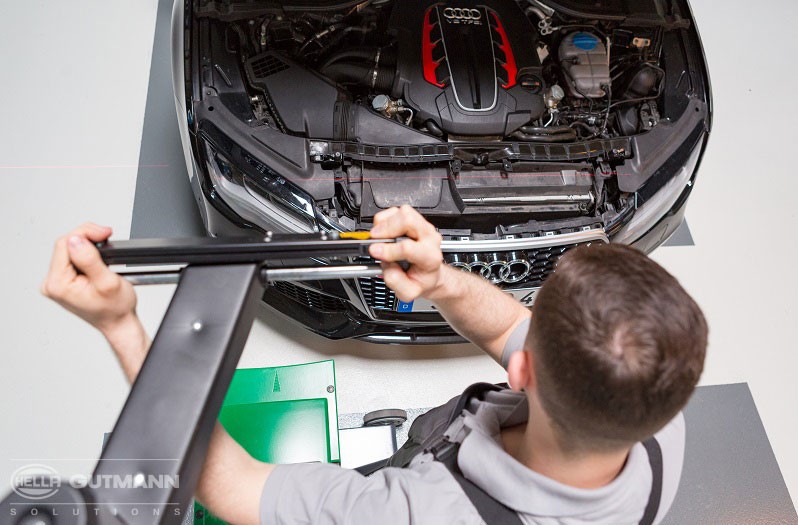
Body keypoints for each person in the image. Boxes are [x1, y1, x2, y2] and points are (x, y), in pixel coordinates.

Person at [41, 205, 707, 525]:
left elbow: (234, 487)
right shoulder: (659, 425)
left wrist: (121, 324)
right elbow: (511, 326)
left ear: (523, 372)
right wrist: (441, 279)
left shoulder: (420, 513)